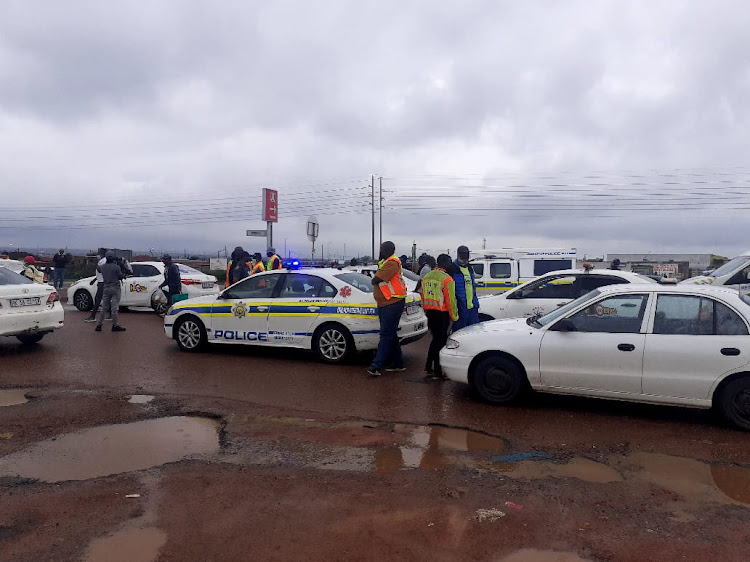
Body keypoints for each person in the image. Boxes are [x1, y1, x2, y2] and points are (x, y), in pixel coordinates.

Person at [367, 241, 408, 377]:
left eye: (383, 249)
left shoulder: (392, 262)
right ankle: (398, 363)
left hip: (393, 301)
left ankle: (376, 365)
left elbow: (376, 279)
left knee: (385, 334)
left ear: (390, 250)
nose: (381, 251)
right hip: (387, 302)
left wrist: (376, 278)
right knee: (391, 333)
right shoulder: (385, 262)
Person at [421, 254, 458, 378]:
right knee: (440, 342)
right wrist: (454, 316)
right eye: (449, 262)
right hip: (442, 314)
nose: (450, 265)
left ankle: (428, 365)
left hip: (430, 313)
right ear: (444, 263)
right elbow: (450, 301)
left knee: (435, 340)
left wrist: (426, 309)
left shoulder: (426, 277)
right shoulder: (447, 279)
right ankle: (437, 370)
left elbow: (423, 296)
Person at [95, 251, 126, 332]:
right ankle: (115, 325)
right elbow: (120, 276)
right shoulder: (116, 267)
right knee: (114, 308)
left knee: (104, 307)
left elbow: (98, 269)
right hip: (115, 287)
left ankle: (99, 324)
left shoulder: (103, 267)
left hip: (106, 287)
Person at [452, 245, 480, 331]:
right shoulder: (453, 268)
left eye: (466, 255)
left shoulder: (469, 268)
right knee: (460, 333)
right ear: (458, 255)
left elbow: (472, 286)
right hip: (460, 308)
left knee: (474, 331)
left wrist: (475, 303)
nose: (465, 258)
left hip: (471, 308)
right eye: (463, 255)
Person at [85, 249, 108, 322]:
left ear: (102, 253)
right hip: (101, 281)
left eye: (99, 253)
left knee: (98, 299)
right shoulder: (102, 260)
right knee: (105, 299)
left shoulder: (104, 260)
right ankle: (110, 314)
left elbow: (101, 270)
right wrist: (94, 280)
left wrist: (96, 263)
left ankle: (93, 316)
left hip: (102, 283)